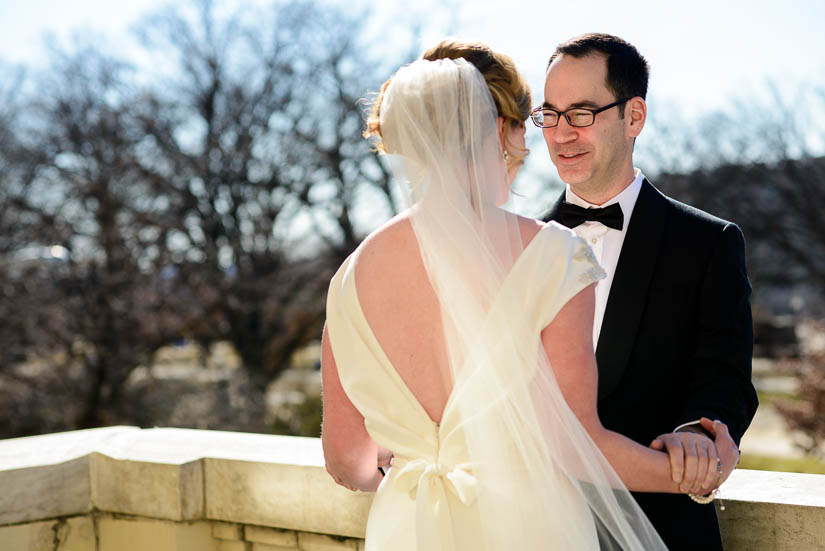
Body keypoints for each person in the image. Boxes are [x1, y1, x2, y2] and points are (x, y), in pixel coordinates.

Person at [320, 43, 726, 548]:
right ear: (496, 129)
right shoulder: (551, 254)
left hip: (408, 527)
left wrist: (423, 479)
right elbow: (572, 445)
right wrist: (689, 474)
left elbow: (346, 458)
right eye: (529, 124)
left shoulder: (348, 278)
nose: (533, 146)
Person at [535, 33, 759, 550]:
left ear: (634, 117)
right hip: (533, 525)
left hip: (659, 527)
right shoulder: (515, 247)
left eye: (582, 113)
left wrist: (699, 436)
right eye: (550, 114)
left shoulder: (709, 242)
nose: (561, 134)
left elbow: (726, 379)